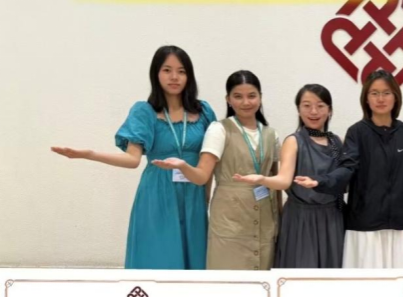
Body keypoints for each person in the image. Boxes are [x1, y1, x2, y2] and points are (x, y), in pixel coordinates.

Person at [51, 45, 216, 269]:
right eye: (167, 70)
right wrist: (89, 154)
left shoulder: (204, 111)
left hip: (194, 193)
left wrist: (207, 196)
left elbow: (211, 160)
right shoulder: (144, 111)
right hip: (158, 193)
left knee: (196, 259)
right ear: (156, 73)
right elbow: (132, 160)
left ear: (189, 76)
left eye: (181, 71)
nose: (174, 77)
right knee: (159, 257)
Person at [153, 70, 279, 270]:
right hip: (230, 218)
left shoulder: (271, 134)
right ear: (228, 99)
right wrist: (184, 166)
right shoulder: (219, 129)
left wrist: (278, 217)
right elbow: (202, 176)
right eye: (238, 96)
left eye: (251, 96)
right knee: (228, 278)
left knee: (263, 280)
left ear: (260, 97)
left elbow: (276, 180)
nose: (246, 102)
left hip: (265, 218)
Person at [234, 84, 354, 268]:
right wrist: (262, 179)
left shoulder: (337, 142)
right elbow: (284, 180)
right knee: (301, 271)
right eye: (306, 105)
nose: (313, 111)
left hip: (333, 218)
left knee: (331, 274)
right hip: (301, 219)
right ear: (298, 109)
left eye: (320, 106)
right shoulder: (293, 141)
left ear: (330, 110)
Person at [341, 70, 403, 268]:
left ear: (396, 97)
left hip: (398, 226)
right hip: (364, 225)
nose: (380, 99)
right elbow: (346, 170)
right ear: (366, 99)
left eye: (386, 93)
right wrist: (322, 181)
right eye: (374, 93)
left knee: (398, 283)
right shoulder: (356, 132)